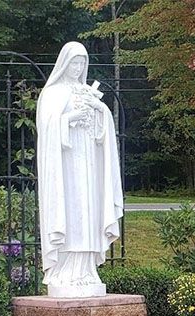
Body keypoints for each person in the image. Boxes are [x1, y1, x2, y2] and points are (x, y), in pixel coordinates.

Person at [36, 41, 123, 297]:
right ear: (64, 64)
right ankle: (65, 271)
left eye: (82, 63)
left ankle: (86, 270)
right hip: (66, 166)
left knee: (89, 213)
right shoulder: (52, 93)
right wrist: (69, 120)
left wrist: (99, 111)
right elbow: (47, 128)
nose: (78, 67)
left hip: (89, 164)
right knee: (71, 212)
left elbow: (103, 132)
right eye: (74, 62)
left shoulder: (87, 91)